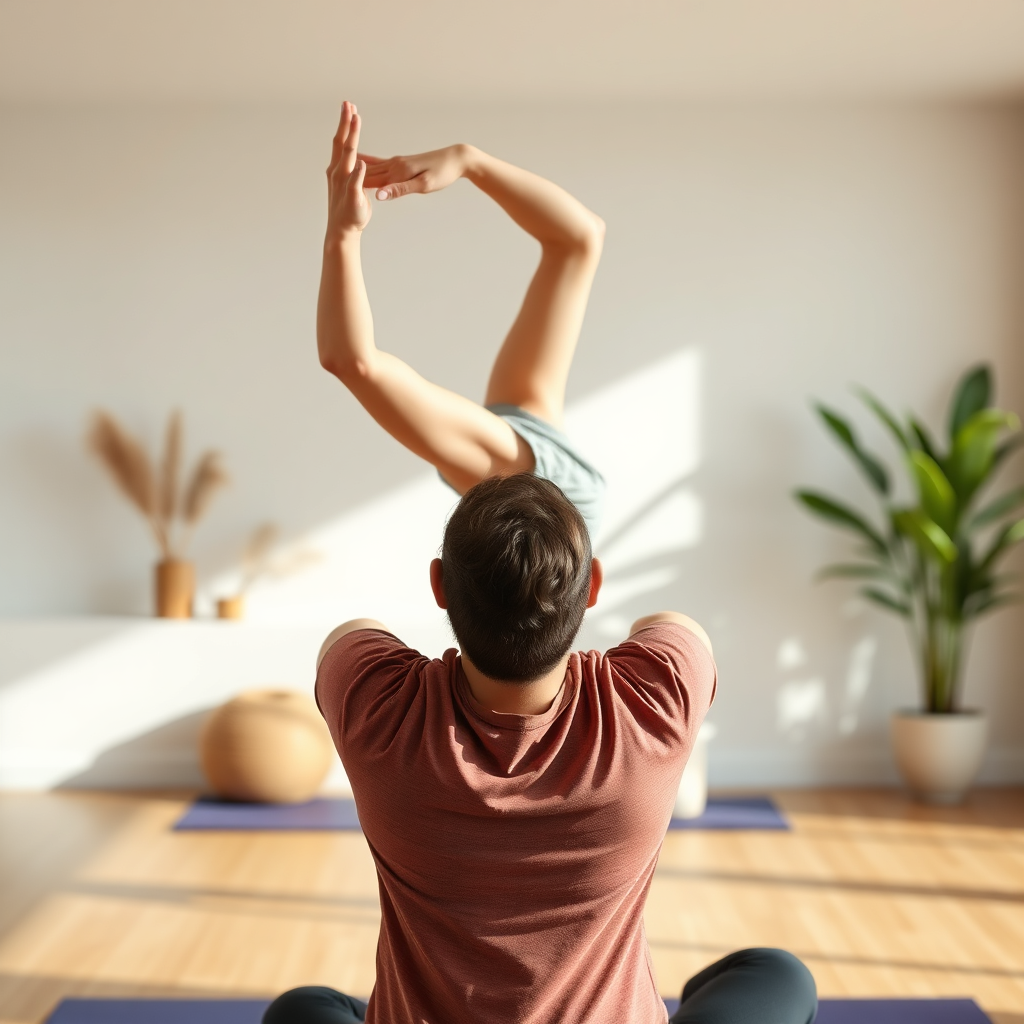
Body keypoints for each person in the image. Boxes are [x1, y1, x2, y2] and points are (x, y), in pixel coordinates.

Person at [264, 474, 818, 1024]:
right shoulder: (652, 704)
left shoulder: (378, 709)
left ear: (439, 587)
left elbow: (352, 633)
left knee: (303, 1008)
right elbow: (673, 626)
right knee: (776, 973)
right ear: (593, 587)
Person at [315, 101, 606, 538]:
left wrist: (343, 233)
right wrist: (470, 162)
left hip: (545, 494)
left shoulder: (518, 473)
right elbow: (579, 238)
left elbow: (351, 361)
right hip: (548, 493)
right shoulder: (524, 474)